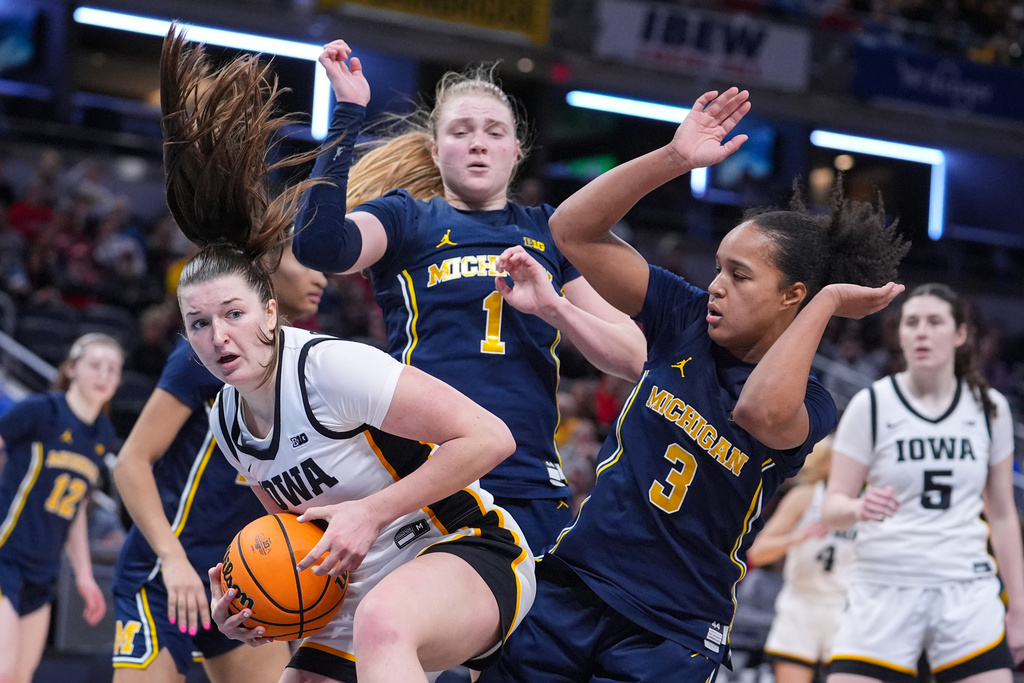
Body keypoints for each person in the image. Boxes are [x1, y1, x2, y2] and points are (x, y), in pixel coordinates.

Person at [479, 87, 910, 683]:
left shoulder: (812, 403)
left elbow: (758, 411)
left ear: (793, 297)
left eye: (738, 275)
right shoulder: (683, 318)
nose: (715, 285)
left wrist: (830, 299)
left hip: (673, 631)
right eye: (717, 268)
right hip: (573, 586)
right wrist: (674, 159)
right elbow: (572, 230)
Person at [157, 28, 535, 683]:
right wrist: (245, 605)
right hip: (354, 589)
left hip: (464, 550)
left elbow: (489, 439)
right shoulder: (226, 421)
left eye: (235, 314)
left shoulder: (329, 367)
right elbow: (294, 536)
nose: (220, 336)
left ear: (271, 312)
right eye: (199, 323)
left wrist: (371, 511)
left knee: (384, 622)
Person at [291, 40, 647, 556]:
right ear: (436, 151)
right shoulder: (406, 217)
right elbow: (319, 244)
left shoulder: (552, 231)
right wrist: (347, 113)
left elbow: (634, 356)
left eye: (494, 132)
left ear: (516, 150)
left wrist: (556, 308)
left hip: (524, 478)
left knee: (527, 637)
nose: (478, 143)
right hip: (418, 475)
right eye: (460, 132)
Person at [110, 241, 327, 681]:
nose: (321, 275)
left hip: (246, 576)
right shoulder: (207, 352)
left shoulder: (312, 361)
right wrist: (172, 560)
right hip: (164, 573)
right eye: (303, 259)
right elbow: (130, 462)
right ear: (266, 267)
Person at [822, 282, 1024, 683]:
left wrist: (1018, 609)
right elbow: (832, 510)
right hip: (884, 583)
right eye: (911, 322)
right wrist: (858, 508)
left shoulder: (991, 408)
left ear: (961, 333)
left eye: (935, 322)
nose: (921, 332)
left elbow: (1002, 515)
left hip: (965, 587)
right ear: (899, 334)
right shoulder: (872, 404)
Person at [0, 332, 124, 683]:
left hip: (44, 569)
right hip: (5, 554)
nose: (104, 375)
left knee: (22, 675)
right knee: (3, 670)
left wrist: (84, 576)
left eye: (113, 369)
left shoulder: (102, 434)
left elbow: (77, 513)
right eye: (95, 365)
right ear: (71, 369)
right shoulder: (42, 410)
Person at [748, 435, 855, 683]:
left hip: (847, 606)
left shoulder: (867, 503)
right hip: (800, 603)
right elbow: (757, 552)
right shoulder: (805, 497)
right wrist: (796, 538)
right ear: (826, 463)